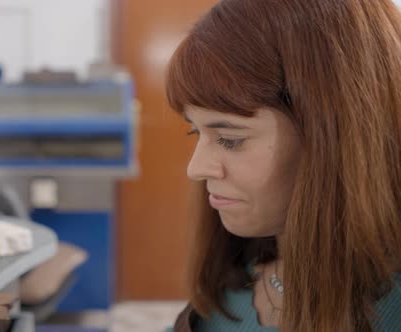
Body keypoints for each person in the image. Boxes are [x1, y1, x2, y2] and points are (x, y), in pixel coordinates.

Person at [165, 0, 401, 331]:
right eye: (196, 130)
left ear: (337, 140)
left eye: (231, 139)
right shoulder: (232, 274)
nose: (197, 168)